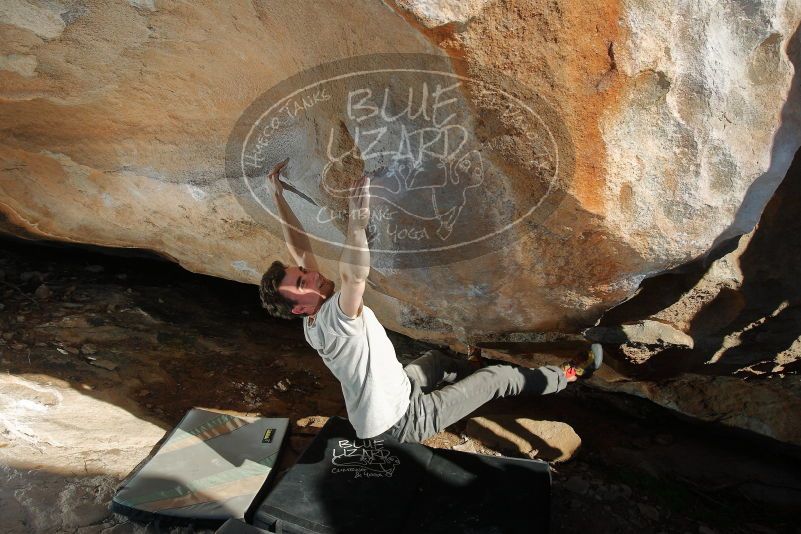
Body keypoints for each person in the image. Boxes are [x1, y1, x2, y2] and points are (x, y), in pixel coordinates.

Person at [259, 159, 602, 443]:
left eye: (304, 274)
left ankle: (471, 375)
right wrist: (357, 219)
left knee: (435, 363)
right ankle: (566, 376)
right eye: (302, 282)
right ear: (299, 306)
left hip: (394, 396)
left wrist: (277, 195)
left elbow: (299, 250)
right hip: (401, 421)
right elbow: (354, 277)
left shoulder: (311, 320)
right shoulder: (336, 318)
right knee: (495, 380)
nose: (312, 275)